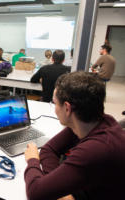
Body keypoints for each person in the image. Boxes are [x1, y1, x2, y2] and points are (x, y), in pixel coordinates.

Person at [24, 71, 125, 200]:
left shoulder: (95, 149)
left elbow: (35, 193)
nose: (54, 109)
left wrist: (32, 160)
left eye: (55, 103)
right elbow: (49, 149)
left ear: (67, 108)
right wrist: (57, 186)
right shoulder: (95, 120)